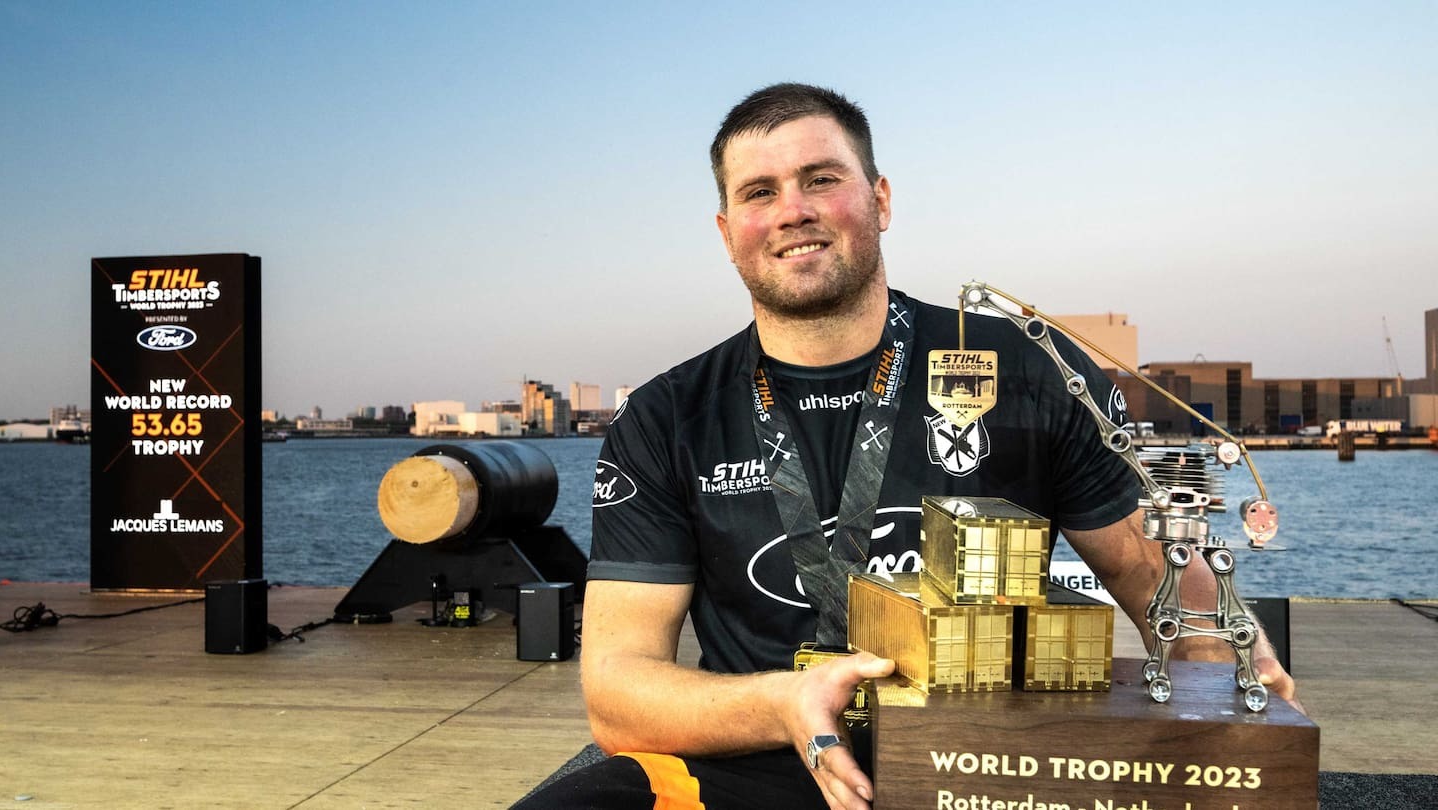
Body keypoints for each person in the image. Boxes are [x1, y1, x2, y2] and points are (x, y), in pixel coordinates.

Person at [515, 83, 1299, 810]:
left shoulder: (1025, 367)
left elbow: (1146, 567)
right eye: (760, 192)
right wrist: (786, 702)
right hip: (759, 764)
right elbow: (615, 691)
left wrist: (1237, 681)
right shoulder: (666, 416)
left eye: (821, 179)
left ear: (880, 200)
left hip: (996, 768)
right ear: (728, 234)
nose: (793, 210)